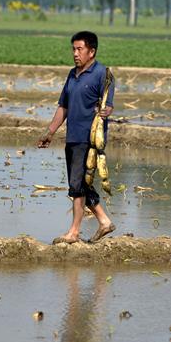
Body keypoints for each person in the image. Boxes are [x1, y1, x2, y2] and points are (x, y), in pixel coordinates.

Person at [37, 31, 116, 244]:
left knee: (76, 184)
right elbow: (63, 106)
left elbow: (108, 103)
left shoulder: (103, 74)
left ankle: (73, 232)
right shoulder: (72, 75)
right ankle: (104, 221)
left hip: (88, 139)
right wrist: (50, 132)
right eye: (73, 49)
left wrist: (107, 110)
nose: (75, 53)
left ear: (92, 51)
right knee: (81, 183)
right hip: (72, 137)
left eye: (79, 49)